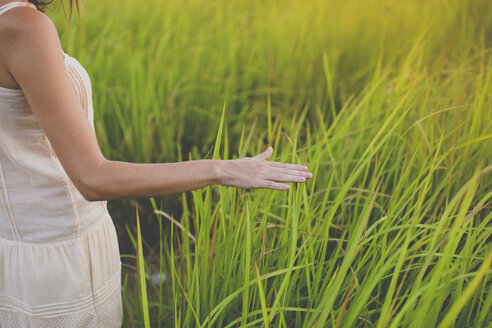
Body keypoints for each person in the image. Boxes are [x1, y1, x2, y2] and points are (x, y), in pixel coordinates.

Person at [0, 0, 312, 326]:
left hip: (17, 248)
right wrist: (224, 168)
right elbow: (93, 177)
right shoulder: (25, 27)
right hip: (61, 259)